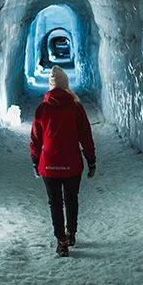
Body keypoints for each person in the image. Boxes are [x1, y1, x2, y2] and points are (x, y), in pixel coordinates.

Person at [30, 66, 96, 257]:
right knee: (71, 200)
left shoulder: (42, 109)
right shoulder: (76, 108)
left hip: (49, 166)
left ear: (50, 87)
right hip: (72, 164)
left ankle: (61, 241)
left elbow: (35, 138)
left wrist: (35, 160)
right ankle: (71, 233)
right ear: (66, 85)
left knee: (55, 203)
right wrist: (91, 160)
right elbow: (86, 136)